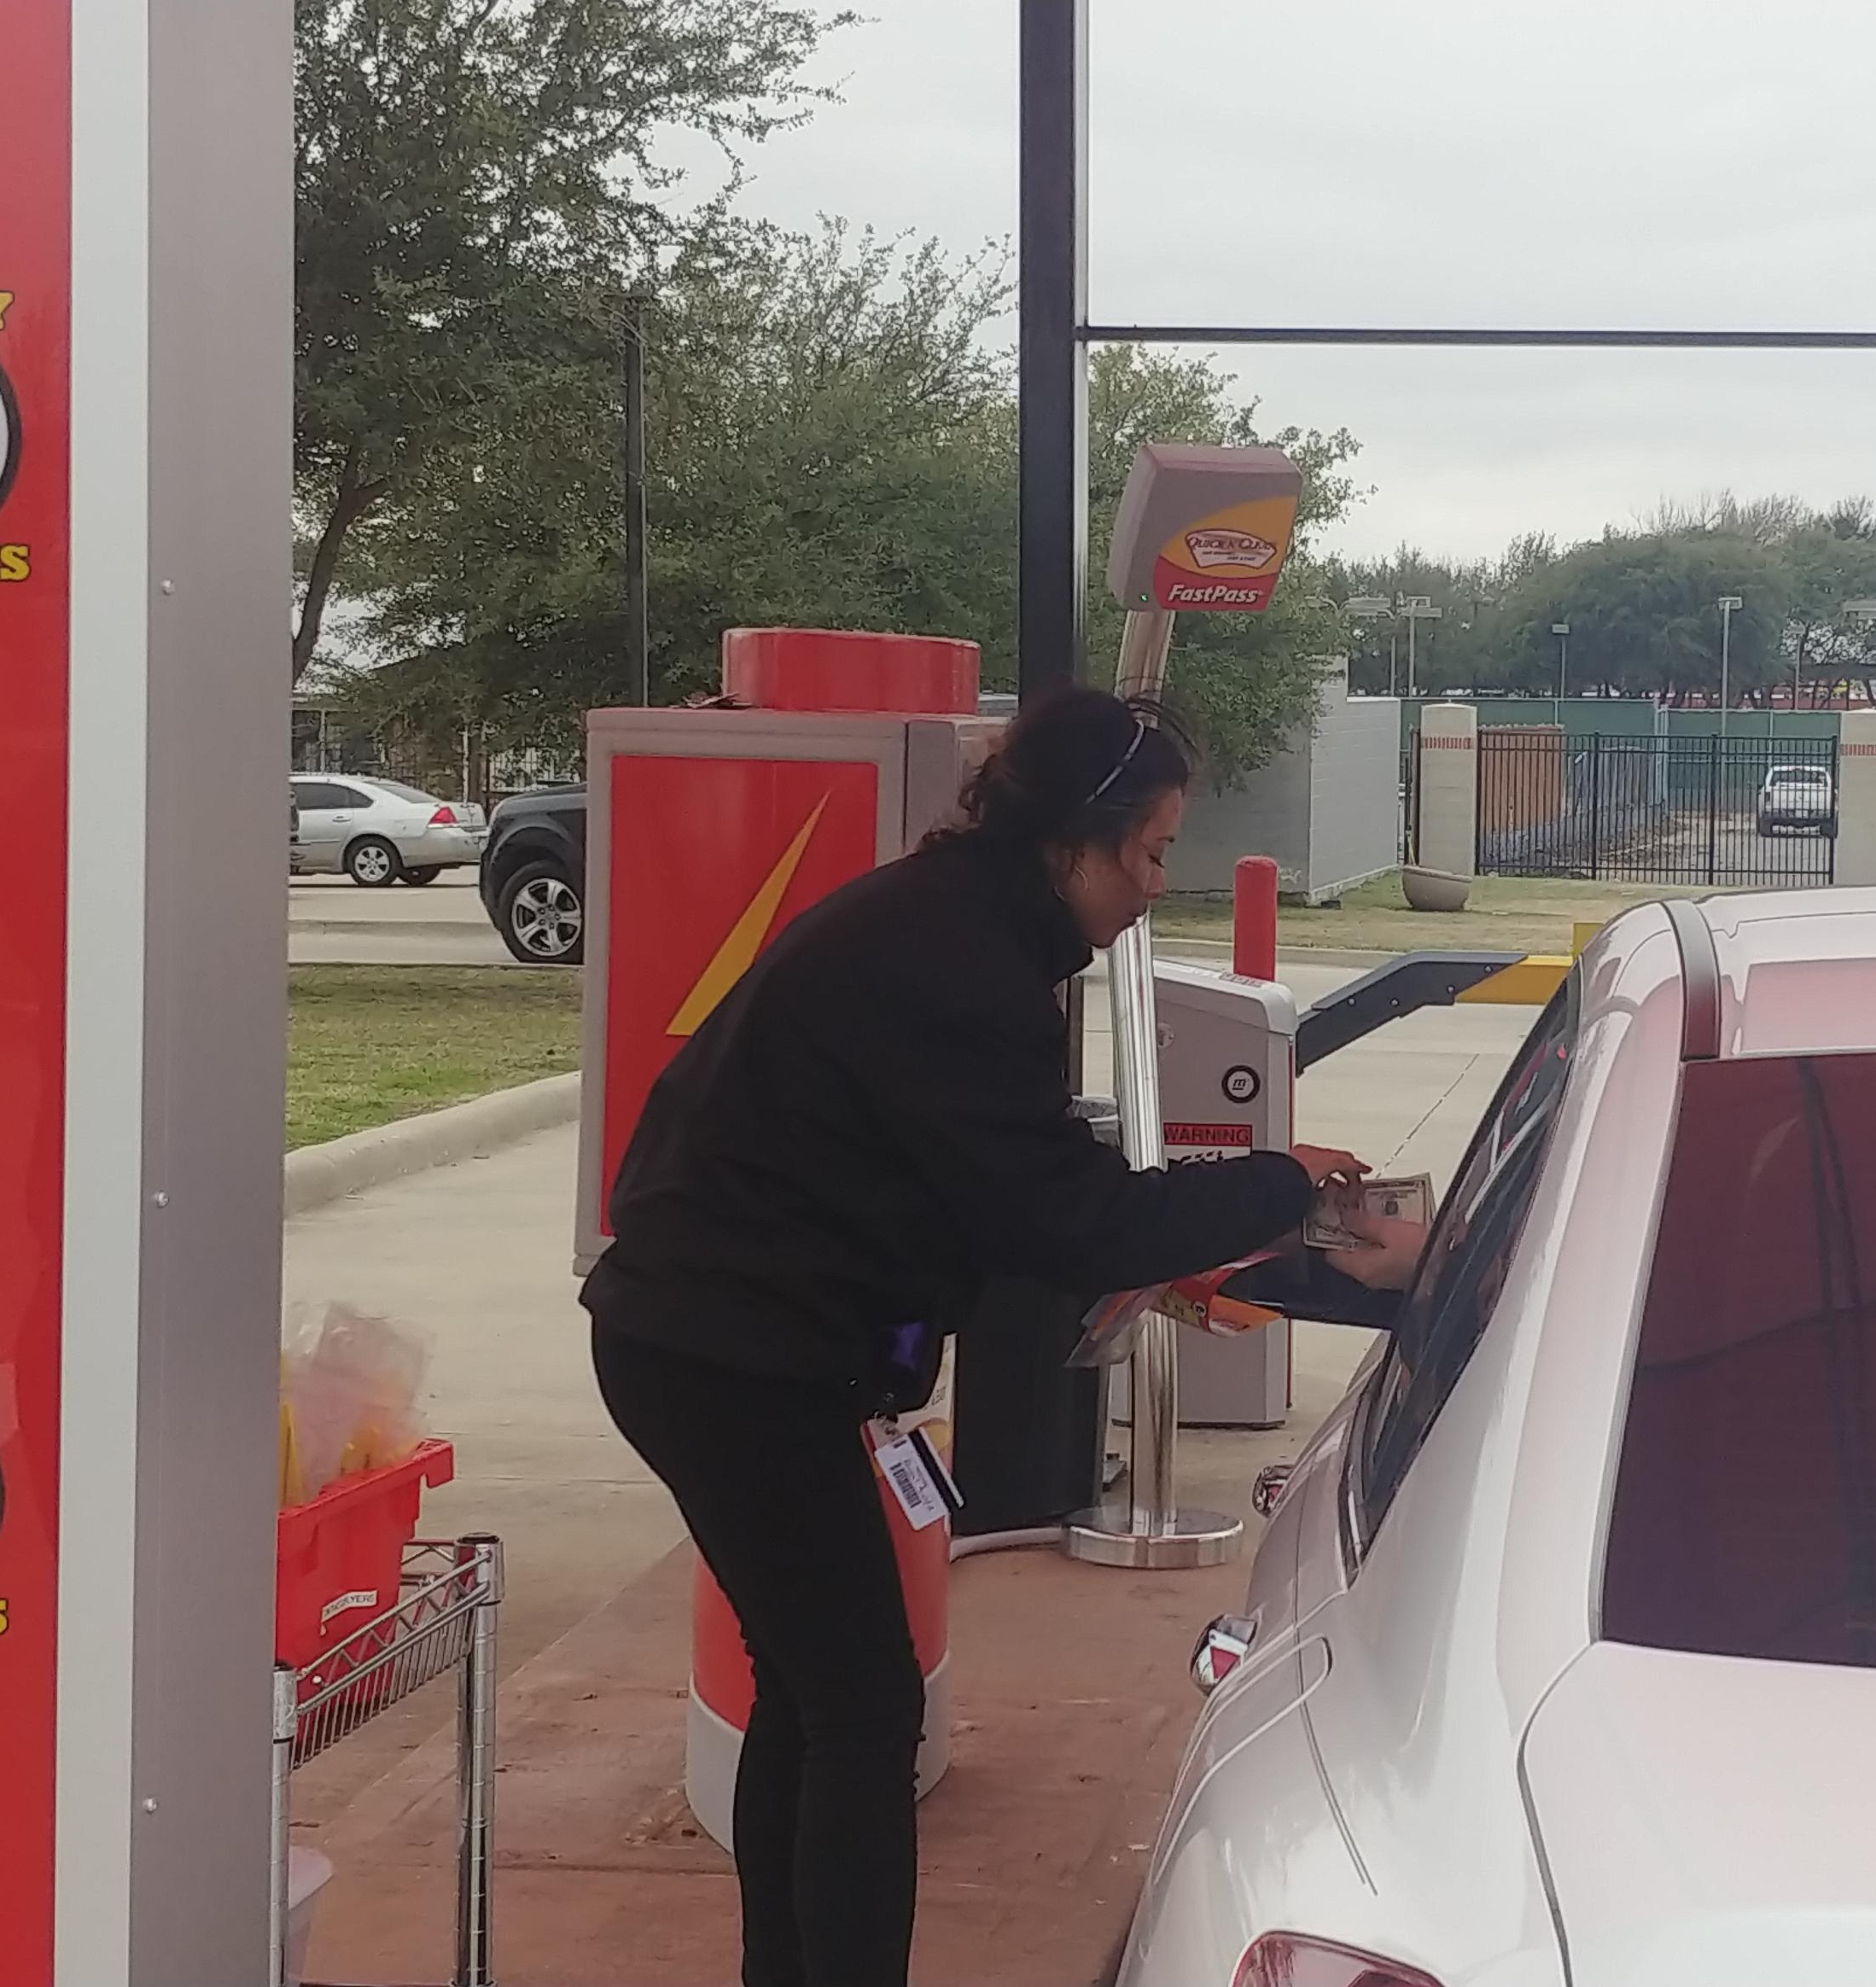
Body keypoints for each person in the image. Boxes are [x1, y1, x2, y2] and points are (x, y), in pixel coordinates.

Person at [586, 687, 1417, 1987]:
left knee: (815, 1694)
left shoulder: (952, 925)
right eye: (1147, 852)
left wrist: (1159, 1255)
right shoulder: (962, 965)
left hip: (717, 1342)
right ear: (1070, 841)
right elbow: (1059, 1215)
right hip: (732, 1361)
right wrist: (1278, 1185)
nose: (1154, 886)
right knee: (862, 1709)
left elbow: (996, 1192)